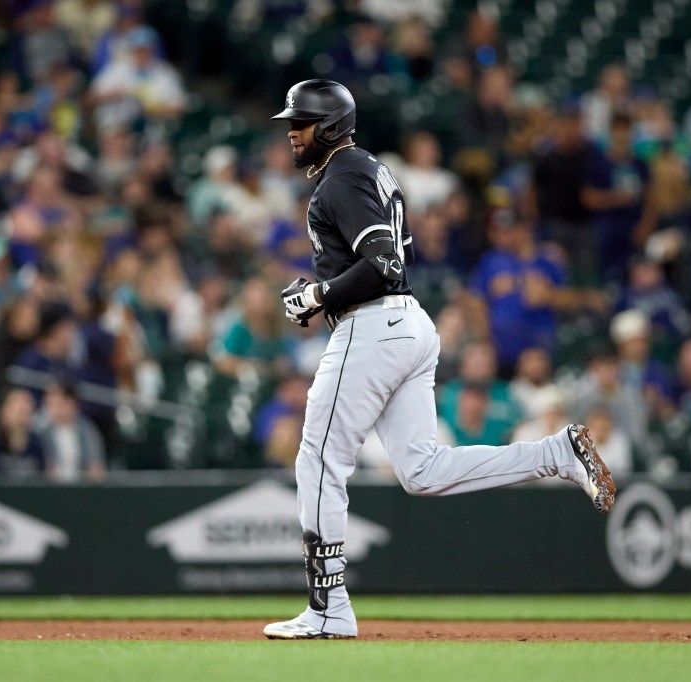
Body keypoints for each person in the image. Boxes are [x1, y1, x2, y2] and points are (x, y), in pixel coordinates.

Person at [264, 80, 617, 640]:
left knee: (318, 461)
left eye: (300, 123)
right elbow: (383, 262)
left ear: (330, 127)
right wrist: (324, 292)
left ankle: (328, 605)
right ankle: (554, 453)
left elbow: (380, 263)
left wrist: (319, 296)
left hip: (372, 326)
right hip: (407, 325)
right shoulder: (369, 169)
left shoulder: (345, 174)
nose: (291, 132)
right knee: (422, 471)